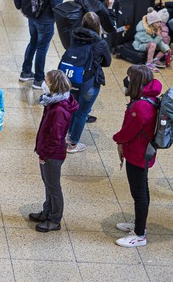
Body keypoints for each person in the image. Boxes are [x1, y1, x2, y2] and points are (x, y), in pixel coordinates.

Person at [112, 64, 161, 247]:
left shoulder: (141, 107)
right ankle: (139, 223)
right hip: (143, 151)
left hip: (138, 153)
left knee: (139, 194)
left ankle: (139, 235)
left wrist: (116, 139)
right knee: (142, 190)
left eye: (129, 77)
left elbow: (128, 132)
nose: (126, 80)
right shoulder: (149, 97)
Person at [28, 69, 79, 234]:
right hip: (49, 152)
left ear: (53, 85)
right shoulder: (54, 102)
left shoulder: (58, 109)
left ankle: (54, 219)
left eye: (46, 80)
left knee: (54, 187)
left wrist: (44, 154)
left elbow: (55, 137)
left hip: (52, 154)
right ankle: (47, 211)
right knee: (48, 183)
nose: (44, 83)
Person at [15, 0, 65, 90]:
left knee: (33, 42)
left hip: (32, 15)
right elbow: (56, 5)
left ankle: (25, 72)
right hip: (46, 20)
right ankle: (38, 79)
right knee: (42, 48)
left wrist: (20, 7)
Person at [64, 12, 112, 154]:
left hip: (72, 78)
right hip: (89, 81)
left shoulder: (74, 35)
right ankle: (72, 143)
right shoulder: (100, 42)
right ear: (97, 26)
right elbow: (108, 62)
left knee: (72, 107)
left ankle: (67, 134)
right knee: (82, 112)